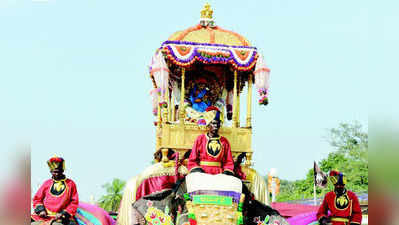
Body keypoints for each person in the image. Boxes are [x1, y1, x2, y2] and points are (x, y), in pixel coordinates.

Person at [31, 156, 79, 225]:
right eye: (54, 172)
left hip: (62, 218)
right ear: (50, 171)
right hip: (44, 217)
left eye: (58, 172)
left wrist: (63, 213)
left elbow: (74, 203)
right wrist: (41, 210)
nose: (56, 174)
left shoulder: (71, 184)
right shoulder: (47, 183)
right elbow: (37, 199)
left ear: (62, 171)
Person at [187, 106, 235, 175]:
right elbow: (192, 159)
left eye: (218, 123)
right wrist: (197, 169)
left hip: (219, 174)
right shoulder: (200, 139)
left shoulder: (224, 141)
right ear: (208, 124)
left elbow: (229, 161)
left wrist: (227, 171)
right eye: (213, 123)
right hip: (202, 173)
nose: (216, 126)